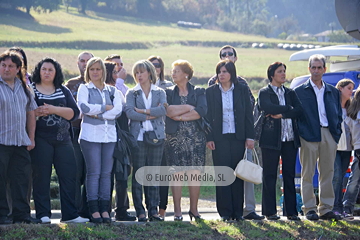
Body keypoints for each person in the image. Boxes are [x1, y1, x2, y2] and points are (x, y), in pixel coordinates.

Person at [30, 57, 88, 224]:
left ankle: (70, 215)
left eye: (50, 70)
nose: (47, 72)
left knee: (69, 176)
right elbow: (28, 112)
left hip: (64, 140)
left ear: (56, 73)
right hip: (41, 139)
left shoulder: (63, 90)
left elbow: (74, 114)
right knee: (41, 177)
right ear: (38, 71)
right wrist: (38, 112)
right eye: (44, 69)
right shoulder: (31, 89)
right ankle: (43, 214)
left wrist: (52, 109)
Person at [207, 45, 262, 220]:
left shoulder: (242, 90)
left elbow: (247, 115)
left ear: (232, 73)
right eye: (219, 71)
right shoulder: (211, 92)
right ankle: (225, 212)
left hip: (238, 138)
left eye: (224, 71)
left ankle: (237, 213)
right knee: (223, 174)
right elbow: (207, 117)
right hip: (219, 138)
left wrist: (250, 137)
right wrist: (209, 138)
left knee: (237, 175)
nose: (221, 74)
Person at [294, 54, 343, 221]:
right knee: (307, 173)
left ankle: (326, 208)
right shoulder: (299, 91)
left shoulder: (333, 91)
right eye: (313, 67)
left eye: (319, 67)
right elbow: (296, 116)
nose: (316, 70)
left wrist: (336, 133)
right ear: (309, 69)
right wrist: (302, 133)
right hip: (308, 135)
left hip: (329, 133)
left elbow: (338, 113)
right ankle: (309, 208)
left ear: (324, 69)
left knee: (328, 172)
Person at [77, 57, 123, 223]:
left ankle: (105, 209)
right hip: (90, 136)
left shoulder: (113, 91)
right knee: (94, 172)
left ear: (103, 71)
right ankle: (94, 210)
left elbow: (117, 111)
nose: (95, 72)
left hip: (109, 136)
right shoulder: (84, 88)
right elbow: (84, 107)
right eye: (91, 69)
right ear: (87, 72)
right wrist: (105, 108)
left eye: (98, 69)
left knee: (105, 174)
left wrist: (97, 114)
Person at [257, 62, 302, 221]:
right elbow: (267, 107)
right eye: (280, 72)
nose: (283, 74)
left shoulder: (290, 92)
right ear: (272, 75)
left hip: (290, 139)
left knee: (289, 175)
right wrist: (288, 109)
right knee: (269, 175)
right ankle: (269, 212)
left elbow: (299, 110)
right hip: (270, 139)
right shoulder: (264, 92)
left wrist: (283, 113)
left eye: (284, 71)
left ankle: (291, 212)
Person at [0, 50, 40, 224]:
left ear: (18, 69)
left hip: (20, 142)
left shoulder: (24, 87)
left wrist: (31, 138)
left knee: (21, 180)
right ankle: (2, 215)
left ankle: (22, 215)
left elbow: (31, 113)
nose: (6, 69)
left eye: (10, 66)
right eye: (3, 65)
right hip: (1, 142)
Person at [165, 59, 207, 221]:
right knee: (177, 174)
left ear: (186, 74)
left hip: (196, 139)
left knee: (194, 174)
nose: (173, 73)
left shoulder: (199, 91)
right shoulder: (169, 92)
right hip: (174, 139)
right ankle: (177, 211)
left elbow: (201, 111)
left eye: (176, 71)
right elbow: (168, 111)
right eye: (172, 70)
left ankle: (194, 210)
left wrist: (180, 117)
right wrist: (190, 108)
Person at [125, 59, 166, 222]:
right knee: (139, 175)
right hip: (138, 138)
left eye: (141, 72)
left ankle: (153, 210)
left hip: (157, 137)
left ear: (150, 73)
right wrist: (150, 114)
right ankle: (140, 211)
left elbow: (163, 109)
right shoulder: (131, 93)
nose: (138, 75)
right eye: (136, 73)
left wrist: (142, 111)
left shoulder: (160, 92)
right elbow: (129, 112)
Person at [104, 58, 136, 222]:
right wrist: (120, 80)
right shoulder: (105, 90)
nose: (118, 74)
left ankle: (122, 209)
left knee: (122, 173)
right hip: (107, 135)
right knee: (107, 174)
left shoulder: (122, 88)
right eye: (114, 72)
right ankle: (105, 209)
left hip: (121, 136)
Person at [65, 51, 94, 218]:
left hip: (93, 132)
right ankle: (75, 212)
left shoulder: (99, 85)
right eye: (82, 61)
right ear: (78, 63)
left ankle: (88, 210)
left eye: (88, 61)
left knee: (91, 172)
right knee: (76, 172)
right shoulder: (71, 84)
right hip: (75, 132)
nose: (85, 64)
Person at [148, 55, 173, 218]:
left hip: (164, 134)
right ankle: (149, 208)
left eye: (157, 65)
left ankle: (162, 209)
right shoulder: (139, 88)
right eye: (151, 65)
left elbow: (168, 110)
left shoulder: (169, 87)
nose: (155, 67)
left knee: (164, 173)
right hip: (146, 134)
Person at [332, 79, 355, 216]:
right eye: (349, 88)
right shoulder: (332, 105)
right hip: (334, 146)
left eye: (352, 89)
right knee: (336, 176)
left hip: (347, 148)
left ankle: (340, 208)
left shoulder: (351, 107)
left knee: (341, 177)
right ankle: (335, 207)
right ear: (340, 88)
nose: (351, 91)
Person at [344, 87, 360, 220]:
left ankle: (347, 207)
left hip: (357, 148)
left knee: (354, 180)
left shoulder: (352, 112)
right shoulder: (354, 112)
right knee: (354, 180)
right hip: (359, 148)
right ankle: (347, 207)